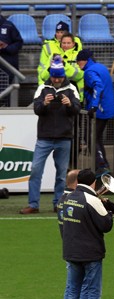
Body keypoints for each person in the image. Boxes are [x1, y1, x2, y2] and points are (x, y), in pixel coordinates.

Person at [20, 56, 81, 214]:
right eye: (54, 77)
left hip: (64, 137)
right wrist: (44, 103)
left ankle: (58, 204)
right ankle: (33, 204)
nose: (56, 79)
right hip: (44, 137)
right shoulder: (42, 88)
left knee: (61, 174)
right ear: (51, 75)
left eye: (59, 77)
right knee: (35, 170)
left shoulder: (72, 89)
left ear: (63, 75)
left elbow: (77, 109)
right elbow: (36, 110)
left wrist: (69, 104)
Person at [62, 169, 114, 299]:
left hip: (71, 251)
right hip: (90, 253)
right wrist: (110, 212)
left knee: (72, 292)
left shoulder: (68, 197)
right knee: (92, 293)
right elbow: (106, 225)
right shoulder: (92, 200)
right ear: (93, 182)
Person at [76, 49, 114, 175]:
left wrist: (93, 106)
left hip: (99, 109)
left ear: (84, 61)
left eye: (78, 61)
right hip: (107, 108)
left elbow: (98, 86)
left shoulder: (89, 71)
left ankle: (102, 166)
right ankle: (103, 165)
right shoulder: (101, 67)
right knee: (96, 137)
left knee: (91, 138)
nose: (77, 64)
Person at [37, 21, 83, 86]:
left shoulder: (77, 45)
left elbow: (79, 73)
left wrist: (64, 65)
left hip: (72, 81)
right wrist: (41, 87)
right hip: (53, 80)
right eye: (57, 32)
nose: (59, 35)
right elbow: (41, 70)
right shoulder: (47, 46)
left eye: (62, 32)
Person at [0, 12, 23, 105]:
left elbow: (19, 43)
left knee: (6, 91)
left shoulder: (9, 26)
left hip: (8, 66)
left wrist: (6, 47)